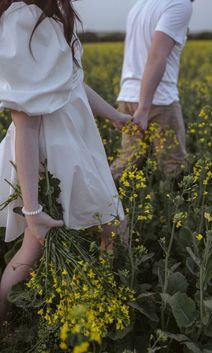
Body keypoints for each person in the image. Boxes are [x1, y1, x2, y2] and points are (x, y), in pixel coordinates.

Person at [0, 0, 131, 320]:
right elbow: (25, 123)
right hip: (54, 154)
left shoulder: (49, 13)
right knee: (36, 245)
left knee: (112, 228)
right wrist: (32, 210)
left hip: (73, 147)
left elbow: (73, 82)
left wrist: (115, 117)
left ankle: (99, 300)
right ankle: (6, 325)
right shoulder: (24, 19)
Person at [111, 0, 193, 179]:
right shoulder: (180, 4)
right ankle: (174, 206)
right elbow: (157, 55)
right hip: (158, 99)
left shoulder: (142, 3)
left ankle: (102, 199)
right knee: (173, 166)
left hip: (128, 95)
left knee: (128, 160)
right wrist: (144, 108)